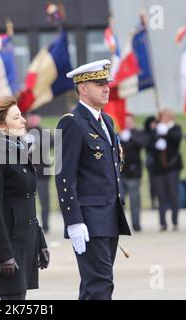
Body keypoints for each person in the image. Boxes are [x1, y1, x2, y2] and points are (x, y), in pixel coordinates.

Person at [55, 59, 131, 300]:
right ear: (83, 88)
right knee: (100, 284)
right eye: (99, 84)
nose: (106, 88)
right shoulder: (72, 122)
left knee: (95, 285)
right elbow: (64, 176)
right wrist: (74, 221)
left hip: (109, 216)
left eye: (106, 83)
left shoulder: (106, 121)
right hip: (89, 219)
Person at [0, 96, 49, 300]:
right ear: (1, 125)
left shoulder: (17, 149)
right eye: (16, 117)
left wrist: (40, 240)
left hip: (25, 239)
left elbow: (27, 200)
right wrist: (4, 254)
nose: (24, 120)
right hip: (8, 243)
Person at [149, 108, 183, 232]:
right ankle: (163, 223)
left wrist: (166, 133)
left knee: (173, 194)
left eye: (167, 116)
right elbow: (149, 144)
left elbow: (177, 139)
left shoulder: (175, 128)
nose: (165, 118)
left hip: (172, 166)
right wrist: (156, 136)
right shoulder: (156, 129)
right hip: (159, 168)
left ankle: (175, 221)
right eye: (162, 116)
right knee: (161, 195)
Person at [25, 112, 54, 233]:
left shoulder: (44, 133)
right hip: (26, 173)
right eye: (30, 117)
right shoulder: (23, 133)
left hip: (42, 173)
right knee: (27, 200)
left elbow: (52, 143)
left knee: (44, 200)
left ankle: (45, 225)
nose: (32, 119)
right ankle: (28, 223)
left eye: (34, 117)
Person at [119, 113, 148, 232]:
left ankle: (136, 224)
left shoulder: (137, 133)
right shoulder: (119, 133)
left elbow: (142, 143)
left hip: (134, 172)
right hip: (121, 172)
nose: (128, 124)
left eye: (130, 121)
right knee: (120, 201)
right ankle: (120, 225)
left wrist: (130, 137)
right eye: (126, 122)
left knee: (134, 200)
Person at [143, 116, 159, 209]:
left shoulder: (159, 132)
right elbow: (148, 145)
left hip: (159, 162)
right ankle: (153, 201)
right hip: (151, 161)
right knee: (152, 183)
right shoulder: (147, 134)